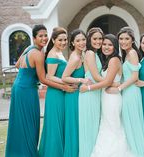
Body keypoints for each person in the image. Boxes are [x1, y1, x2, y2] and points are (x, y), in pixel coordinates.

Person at [5, 25, 74, 157]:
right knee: (30, 124)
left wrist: (30, 74)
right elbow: (44, 79)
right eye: (40, 36)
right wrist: (63, 87)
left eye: (45, 35)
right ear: (34, 38)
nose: (44, 38)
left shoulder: (29, 48)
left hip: (18, 87)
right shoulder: (38, 53)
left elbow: (18, 65)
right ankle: (27, 153)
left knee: (20, 123)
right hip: (27, 90)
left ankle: (17, 153)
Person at [80, 34, 135, 157]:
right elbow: (109, 81)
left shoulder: (114, 60)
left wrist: (88, 88)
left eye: (110, 45)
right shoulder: (108, 60)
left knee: (112, 126)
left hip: (112, 98)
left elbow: (108, 82)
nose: (106, 47)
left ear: (115, 47)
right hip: (106, 96)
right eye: (104, 44)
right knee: (107, 124)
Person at [109, 27, 144, 157]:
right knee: (128, 124)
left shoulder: (132, 53)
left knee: (133, 124)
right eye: (121, 39)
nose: (123, 41)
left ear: (132, 40)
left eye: (126, 39)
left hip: (131, 93)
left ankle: (139, 153)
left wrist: (119, 88)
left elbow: (134, 76)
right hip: (127, 91)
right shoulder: (126, 54)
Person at [39, 27, 70, 157]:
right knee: (54, 126)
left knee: (60, 124)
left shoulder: (59, 52)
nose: (63, 42)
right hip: (55, 94)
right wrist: (66, 83)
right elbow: (49, 77)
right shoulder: (52, 54)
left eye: (65, 40)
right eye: (60, 40)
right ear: (53, 40)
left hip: (61, 92)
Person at [61, 29, 88, 157]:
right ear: (72, 42)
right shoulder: (75, 57)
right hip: (73, 95)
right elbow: (64, 77)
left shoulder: (81, 55)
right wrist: (80, 80)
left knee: (78, 127)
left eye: (83, 39)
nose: (81, 42)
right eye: (78, 40)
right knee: (74, 127)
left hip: (77, 95)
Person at [78, 27, 104, 157]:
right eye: (95, 38)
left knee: (95, 126)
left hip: (95, 91)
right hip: (89, 94)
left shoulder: (95, 53)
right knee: (89, 127)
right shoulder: (90, 53)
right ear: (89, 39)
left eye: (100, 38)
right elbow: (96, 76)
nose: (98, 41)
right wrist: (115, 81)